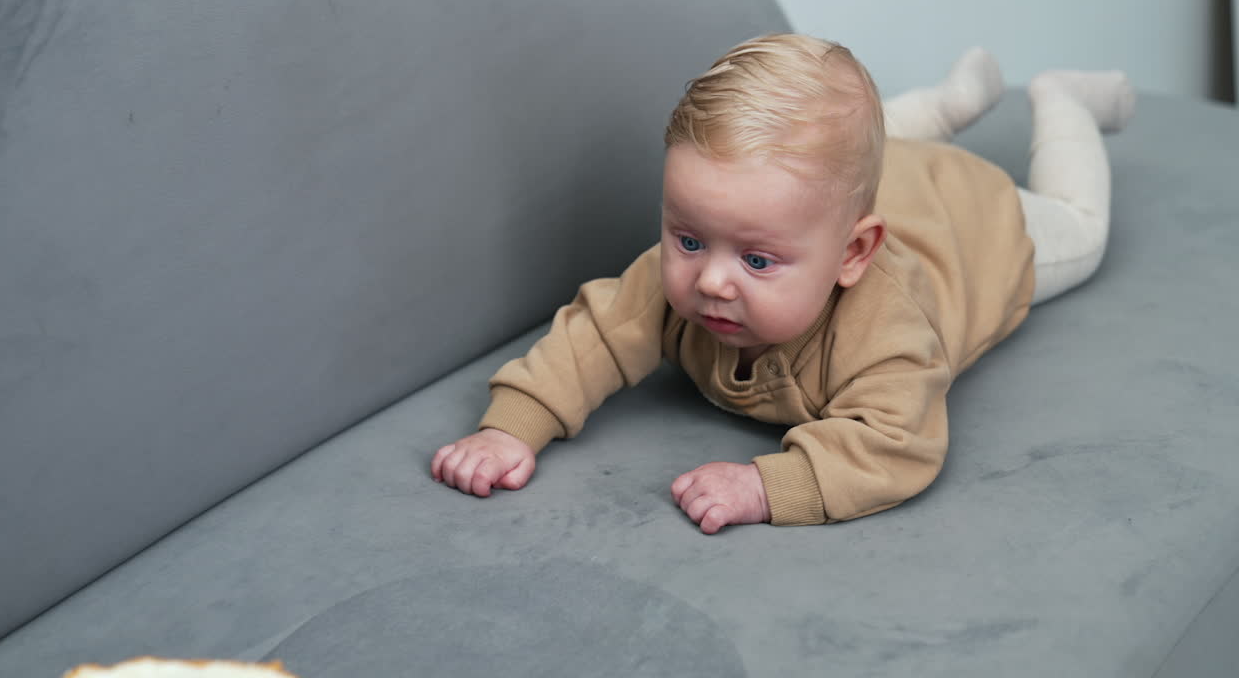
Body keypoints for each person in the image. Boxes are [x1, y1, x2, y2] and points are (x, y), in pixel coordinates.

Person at [430, 34, 1135, 533]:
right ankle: (949, 104)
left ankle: (1061, 100)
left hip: (974, 225)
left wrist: (767, 486)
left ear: (854, 254)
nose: (710, 281)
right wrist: (511, 428)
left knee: (1084, 227)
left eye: (757, 262)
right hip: (857, 190)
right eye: (689, 237)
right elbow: (594, 335)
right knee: (851, 157)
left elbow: (897, 443)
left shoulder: (888, 335)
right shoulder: (711, 258)